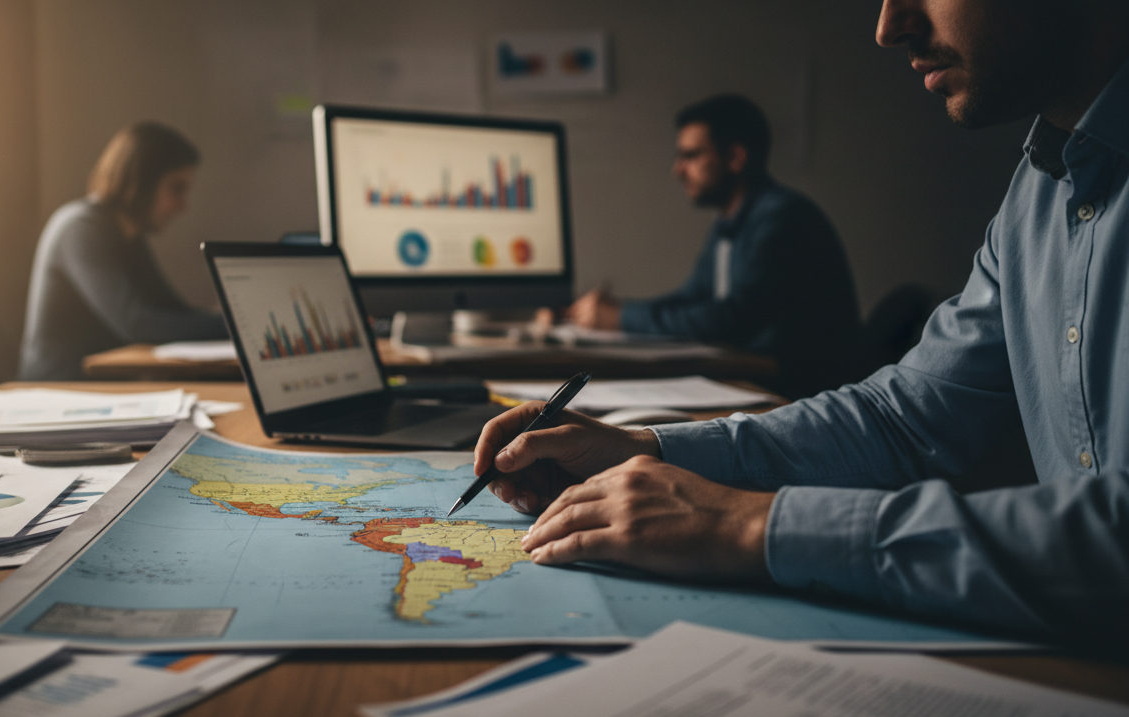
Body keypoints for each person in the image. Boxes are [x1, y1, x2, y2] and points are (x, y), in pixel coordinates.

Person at [476, 0, 1129, 643]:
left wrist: (748, 525)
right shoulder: (1038, 192)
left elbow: (723, 316)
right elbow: (901, 418)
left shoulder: (777, 218)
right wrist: (651, 448)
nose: (887, 27)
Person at [564, 95, 863, 397]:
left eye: (691, 156)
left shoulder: (780, 218)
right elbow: (692, 298)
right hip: (761, 381)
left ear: (734, 157)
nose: (678, 170)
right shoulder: (730, 222)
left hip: (799, 393)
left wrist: (619, 319)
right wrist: (617, 311)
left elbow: (732, 319)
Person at [18, 122, 227, 380]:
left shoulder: (130, 236)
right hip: (62, 390)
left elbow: (172, 309)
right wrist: (231, 324)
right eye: (177, 188)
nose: (182, 205)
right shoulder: (80, 228)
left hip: (110, 386)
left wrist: (227, 317)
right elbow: (135, 323)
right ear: (141, 182)